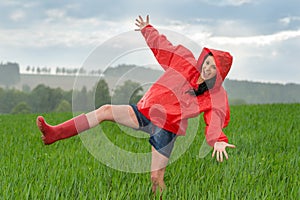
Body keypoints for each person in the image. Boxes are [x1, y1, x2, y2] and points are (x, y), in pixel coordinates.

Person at [36, 15, 235, 194]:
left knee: (156, 179)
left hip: (165, 129)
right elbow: (163, 48)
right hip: (144, 112)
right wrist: (148, 29)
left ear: (219, 73)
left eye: (213, 67)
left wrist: (217, 139)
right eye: (207, 62)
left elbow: (215, 119)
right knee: (105, 110)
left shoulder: (216, 95)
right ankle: (55, 133)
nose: (207, 68)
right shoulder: (184, 62)